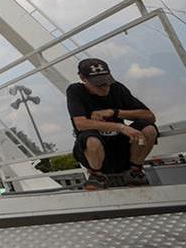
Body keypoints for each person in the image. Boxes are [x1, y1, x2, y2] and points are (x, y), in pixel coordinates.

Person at [67, 58, 158, 190]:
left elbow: (150, 116)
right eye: (97, 84)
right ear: (83, 78)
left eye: (106, 82)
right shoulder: (76, 91)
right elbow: (80, 124)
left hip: (121, 148)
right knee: (90, 140)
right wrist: (121, 127)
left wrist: (114, 112)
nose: (104, 87)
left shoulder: (117, 88)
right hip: (96, 151)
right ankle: (97, 175)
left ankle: (134, 171)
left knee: (149, 129)